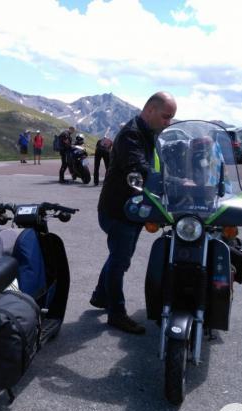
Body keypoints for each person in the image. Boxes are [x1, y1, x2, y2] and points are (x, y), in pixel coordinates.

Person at [89, 92, 177, 334]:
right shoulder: (132, 135)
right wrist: (174, 181)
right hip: (119, 212)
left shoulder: (147, 132)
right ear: (150, 110)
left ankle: (100, 296)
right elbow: (138, 167)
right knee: (120, 261)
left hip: (130, 209)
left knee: (117, 255)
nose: (168, 122)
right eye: (166, 117)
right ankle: (116, 314)